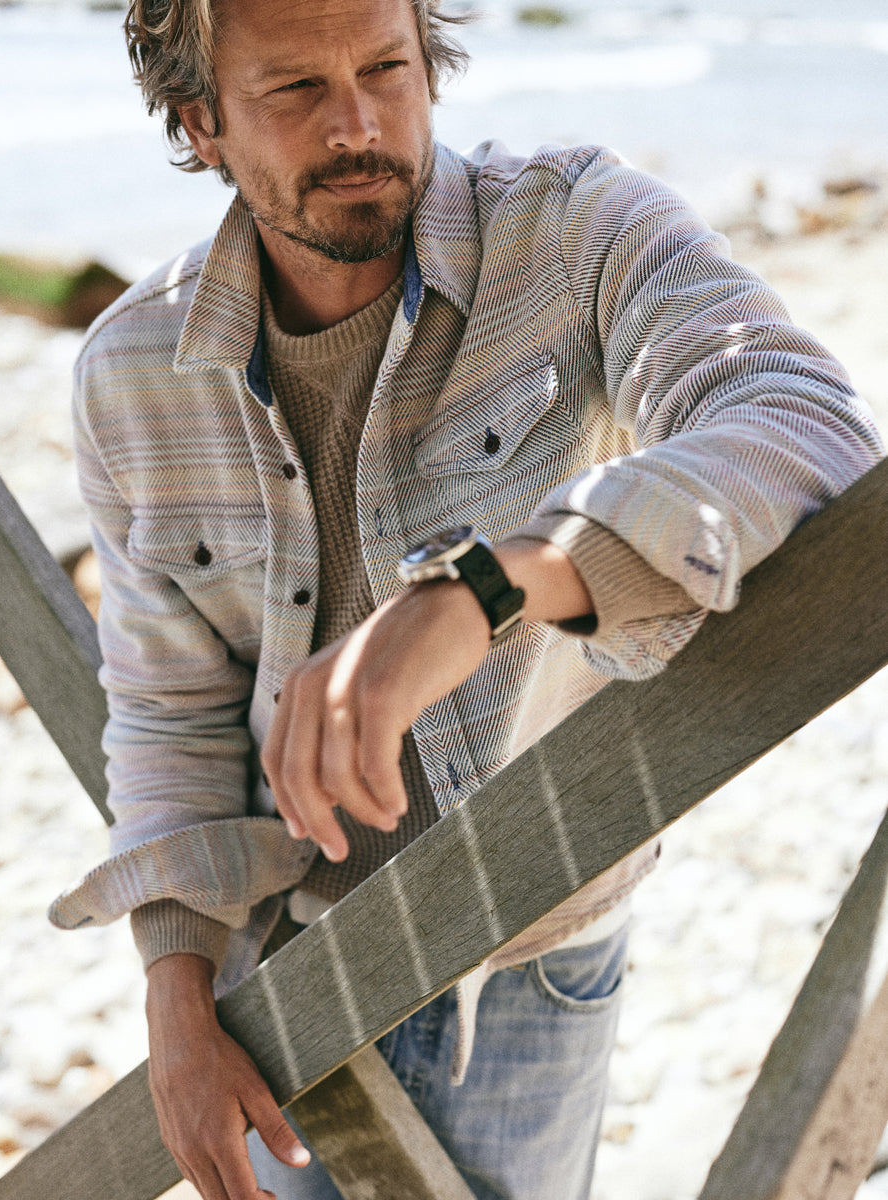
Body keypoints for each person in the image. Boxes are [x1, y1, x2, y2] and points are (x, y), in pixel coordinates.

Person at [48, 0, 883, 1197]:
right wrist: (174, 996)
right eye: (294, 90)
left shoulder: (572, 227)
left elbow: (805, 427)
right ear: (200, 122)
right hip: (285, 983)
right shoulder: (130, 376)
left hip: (527, 941)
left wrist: (490, 584)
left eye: (387, 67)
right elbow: (166, 712)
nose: (358, 125)